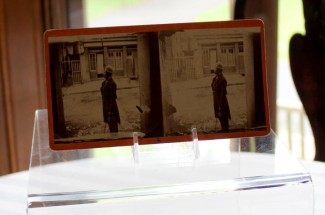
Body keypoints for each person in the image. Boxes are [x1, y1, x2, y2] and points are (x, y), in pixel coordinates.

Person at [211, 63, 231, 132]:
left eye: (216, 69)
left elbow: (223, 93)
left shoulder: (223, 79)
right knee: (219, 115)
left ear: (219, 70)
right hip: (216, 99)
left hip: (221, 100)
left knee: (223, 115)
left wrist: (220, 103)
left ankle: (226, 129)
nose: (214, 70)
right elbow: (213, 87)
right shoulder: (215, 78)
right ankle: (223, 128)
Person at [101, 67, 120, 132]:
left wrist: (109, 112)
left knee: (113, 126)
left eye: (104, 72)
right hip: (107, 107)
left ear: (108, 74)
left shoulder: (112, 84)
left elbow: (112, 99)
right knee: (110, 125)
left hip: (111, 110)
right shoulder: (105, 82)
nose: (103, 74)